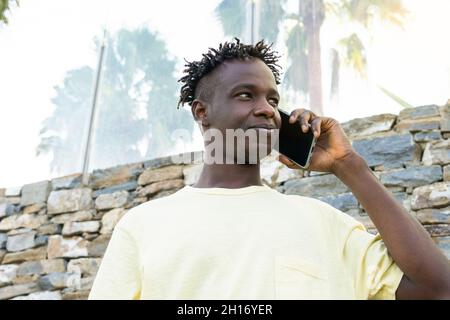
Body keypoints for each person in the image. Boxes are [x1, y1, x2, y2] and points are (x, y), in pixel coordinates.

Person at [88, 38, 450, 300]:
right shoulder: (143, 226)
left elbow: (438, 289)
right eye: (246, 95)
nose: (267, 109)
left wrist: (348, 165)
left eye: (273, 99)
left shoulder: (326, 224)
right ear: (202, 112)